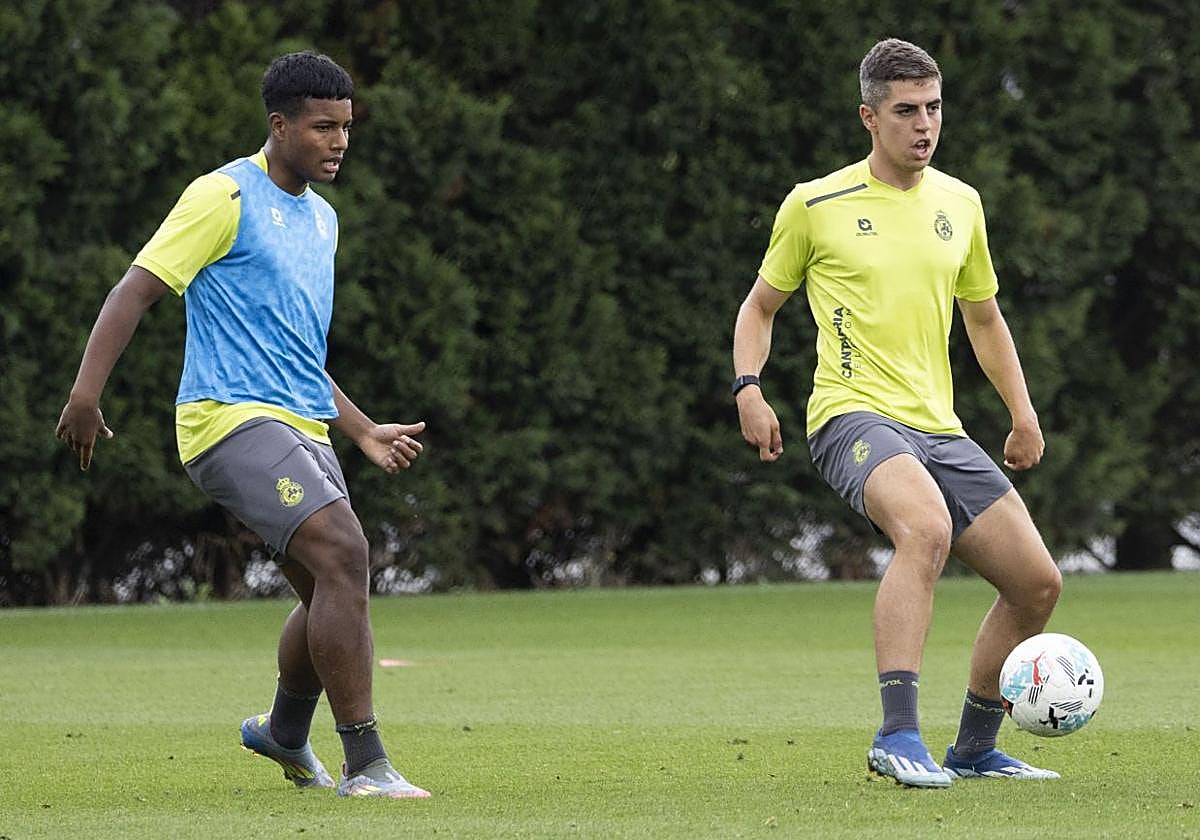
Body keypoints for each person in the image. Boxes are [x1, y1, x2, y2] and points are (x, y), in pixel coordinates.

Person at [55, 51, 430, 799]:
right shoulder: (223, 195)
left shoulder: (322, 220)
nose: (339, 142)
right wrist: (85, 395)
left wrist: (357, 429)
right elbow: (133, 291)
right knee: (345, 550)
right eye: (323, 127)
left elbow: (294, 349)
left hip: (303, 427)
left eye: (347, 127)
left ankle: (283, 733)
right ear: (279, 124)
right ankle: (368, 766)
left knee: (330, 583)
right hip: (225, 421)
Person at [732, 38, 1063, 788]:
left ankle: (974, 747)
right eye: (907, 110)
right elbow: (760, 307)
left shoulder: (961, 202)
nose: (924, 125)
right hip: (851, 416)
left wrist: (1022, 412)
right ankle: (897, 734)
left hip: (938, 427)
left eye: (934, 108)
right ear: (869, 117)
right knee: (925, 528)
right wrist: (748, 387)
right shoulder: (814, 204)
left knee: (1037, 584)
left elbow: (983, 318)